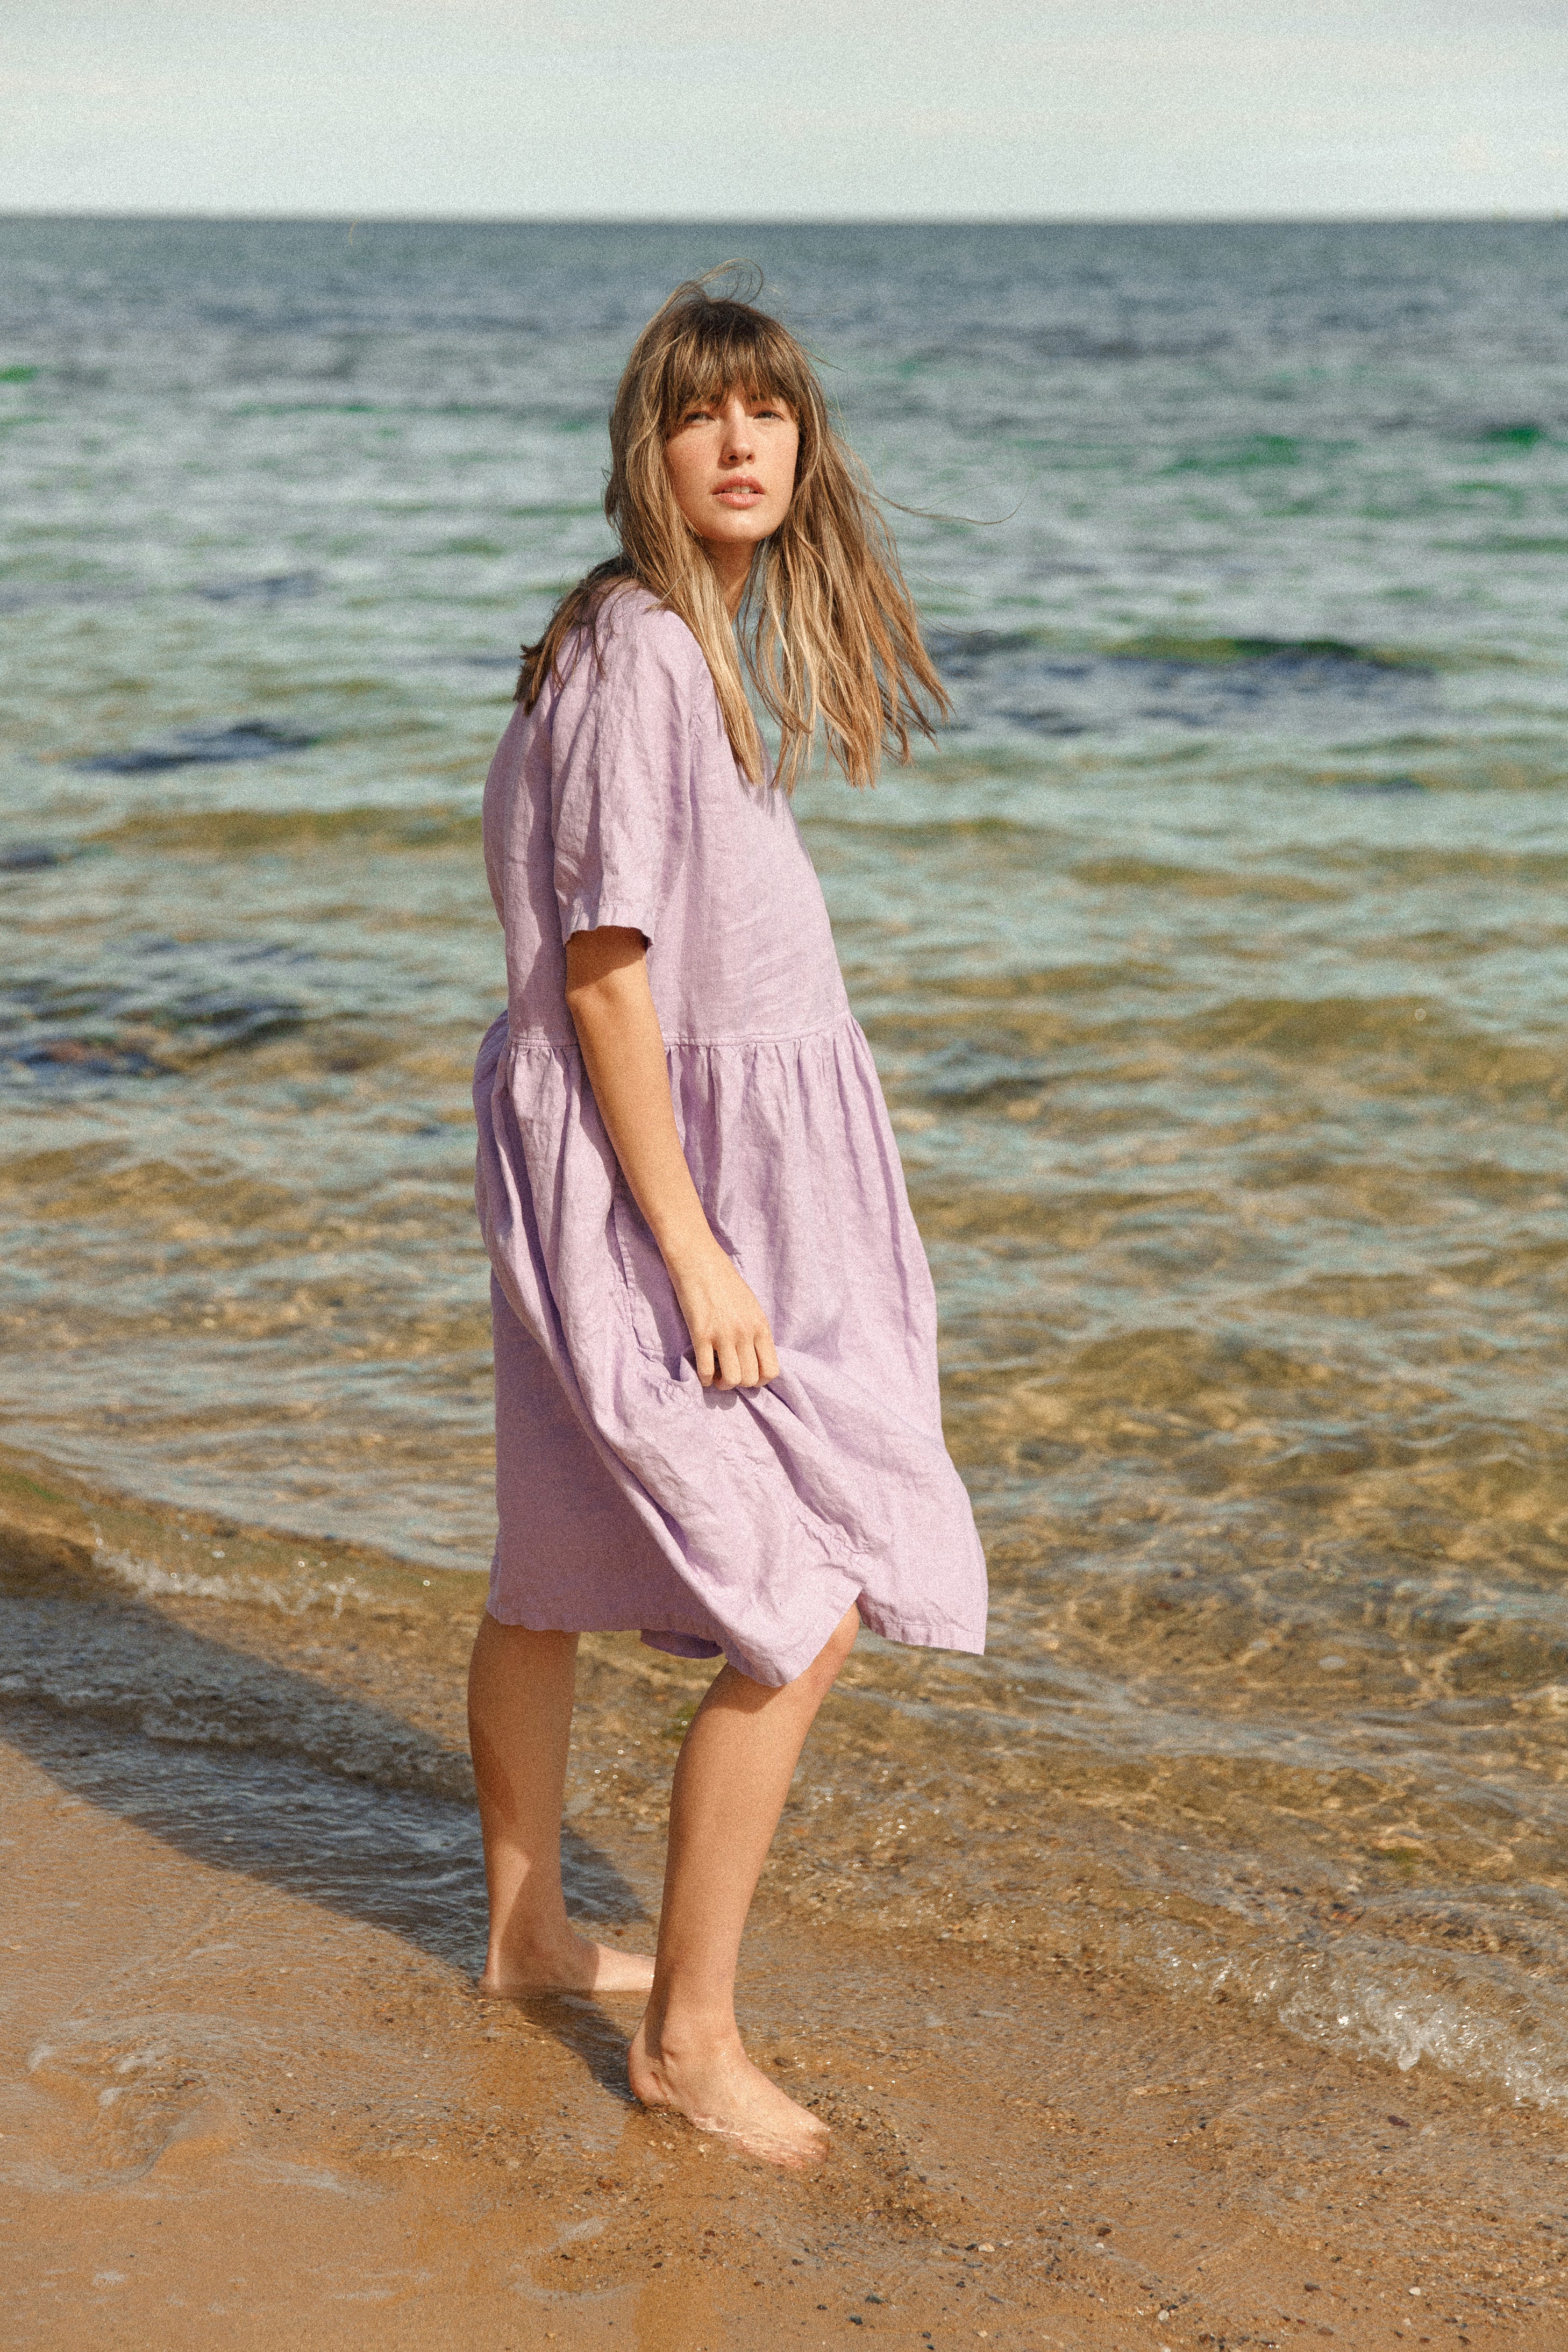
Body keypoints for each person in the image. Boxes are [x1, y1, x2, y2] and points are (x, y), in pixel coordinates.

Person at [467, 271, 987, 2165]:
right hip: (665, 1168)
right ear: (650, 448)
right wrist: (690, 1245)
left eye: (768, 411)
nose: (740, 441)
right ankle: (689, 2043)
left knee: (555, 1555)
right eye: (701, 413)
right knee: (806, 1596)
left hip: (638, 1142)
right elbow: (607, 969)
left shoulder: (657, 639)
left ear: (807, 445)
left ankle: (528, 1934)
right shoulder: (643, 656)